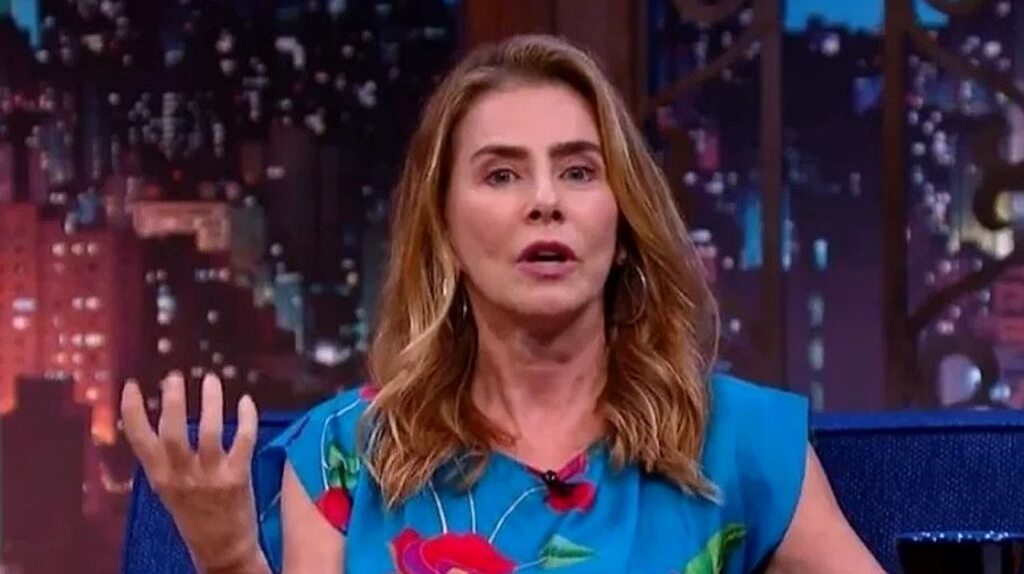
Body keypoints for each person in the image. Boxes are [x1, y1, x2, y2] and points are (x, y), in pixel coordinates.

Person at [121, 34, 884, 573]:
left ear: (622, 225)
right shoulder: (343, 457)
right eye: (501, 175)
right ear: (445, 230)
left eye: (579, 171)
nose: (546, 201)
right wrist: (231, 560)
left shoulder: (739, 440)